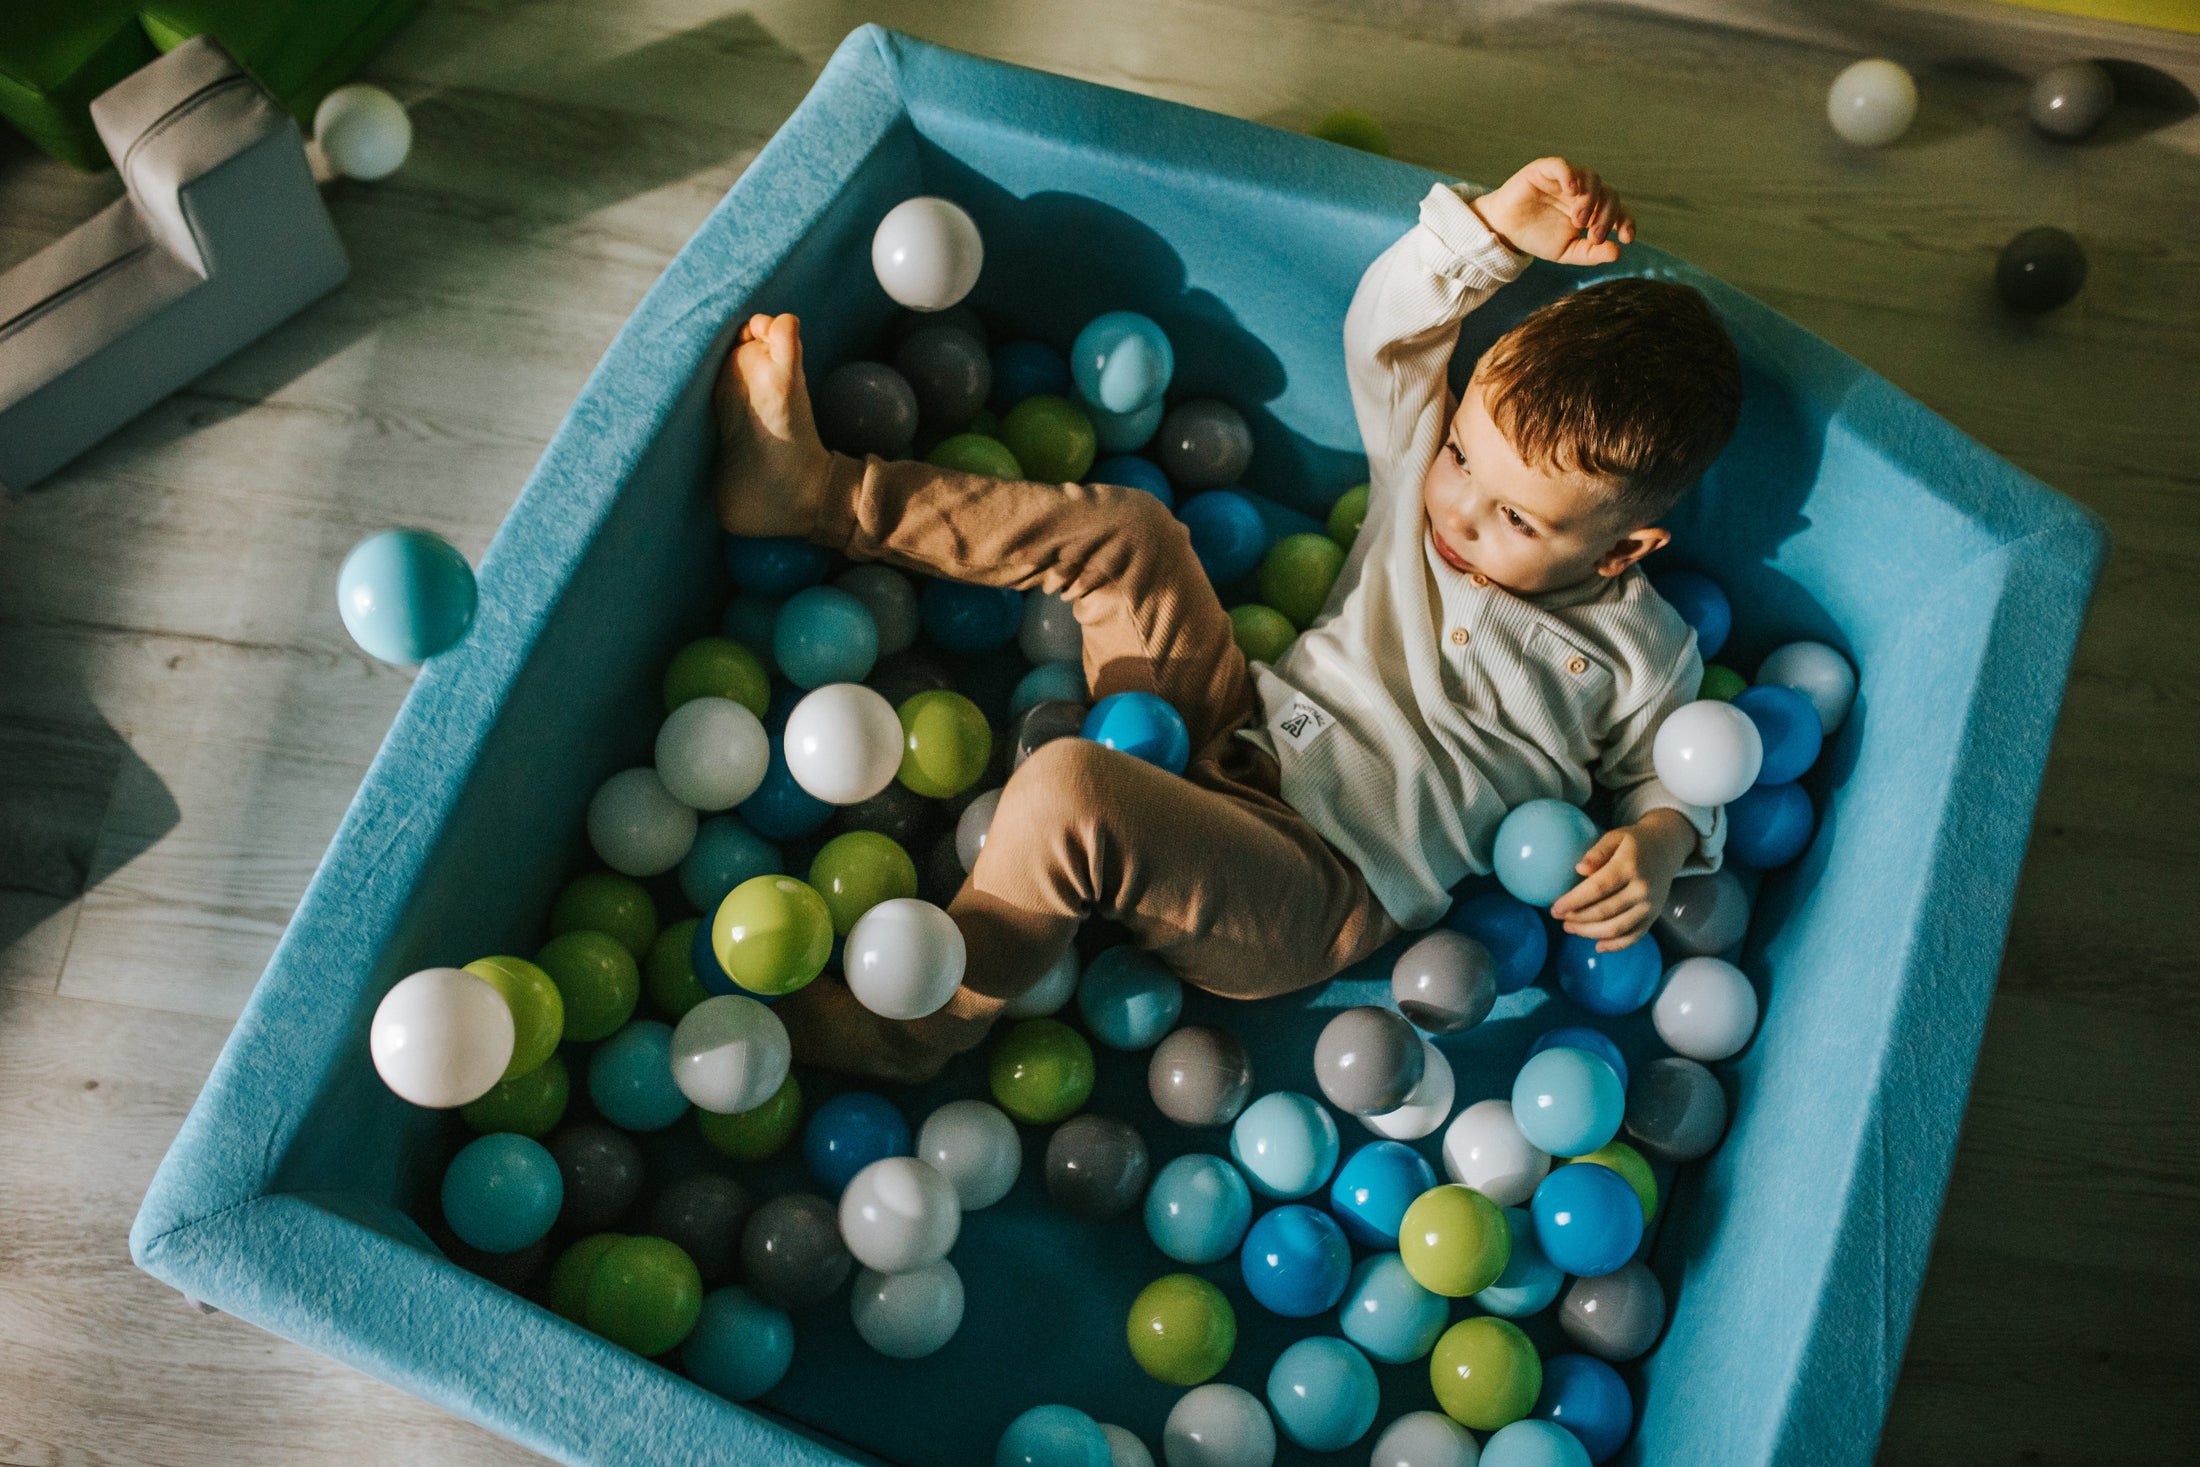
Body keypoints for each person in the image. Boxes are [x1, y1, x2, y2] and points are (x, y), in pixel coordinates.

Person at [713, 157, 1742, 1083]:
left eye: (1515, 519)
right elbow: (1387, 332)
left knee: (1070, 787)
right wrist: (1496, 236)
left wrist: (1655, 840)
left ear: (1619, 554)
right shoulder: (1414, 493)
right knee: (1135, 534)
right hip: (1228, 725)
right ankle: (815, 495)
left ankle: (914, 1028)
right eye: (1465, 458)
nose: (1459, 513)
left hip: (1313, 887)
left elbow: (1676, 769)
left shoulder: (1639, 650)